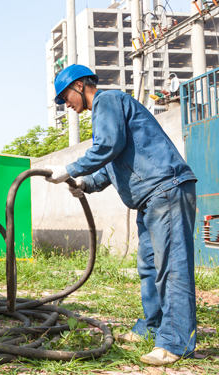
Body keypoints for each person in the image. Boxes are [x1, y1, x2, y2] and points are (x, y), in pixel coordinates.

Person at [46, 64, 197, 366]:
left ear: (79, 85)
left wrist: (71, 169)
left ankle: (176, 343)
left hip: (165, 189)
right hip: (150, 199)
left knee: (171, 268)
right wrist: (83, 183)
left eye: (66, 97)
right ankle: (153, 327)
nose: (68, 106)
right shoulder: (106, 117)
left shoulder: (108, 101)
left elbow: (108, 146)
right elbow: (108, 167)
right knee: (150, 267)